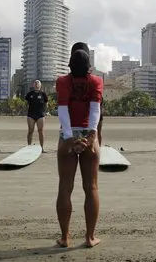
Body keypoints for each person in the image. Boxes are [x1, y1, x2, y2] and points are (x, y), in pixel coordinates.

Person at [55, 43, 103, 249]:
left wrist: (69, 138)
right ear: (89, 64)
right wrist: (90, 137)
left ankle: (65, 238)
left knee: (65, 186)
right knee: (90, 187)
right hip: (88, 133)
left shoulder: (62, 81)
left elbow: (63, 109)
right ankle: (90, 237)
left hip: (68, 134)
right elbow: (95, 110)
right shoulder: (96, 81)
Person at [25, 80, 48, 151]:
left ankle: (41, 148)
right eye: (35, 83)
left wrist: (44, 112)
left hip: (40, 115)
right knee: (30, 131)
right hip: (31, 115)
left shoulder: (43, 94)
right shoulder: (29, 94)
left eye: (38, 83)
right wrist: (27, 110)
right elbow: (26, 103)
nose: (36, 84)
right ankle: (29, 146)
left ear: (40, 85)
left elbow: (46, 104)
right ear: (33, 85)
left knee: (40, 130)